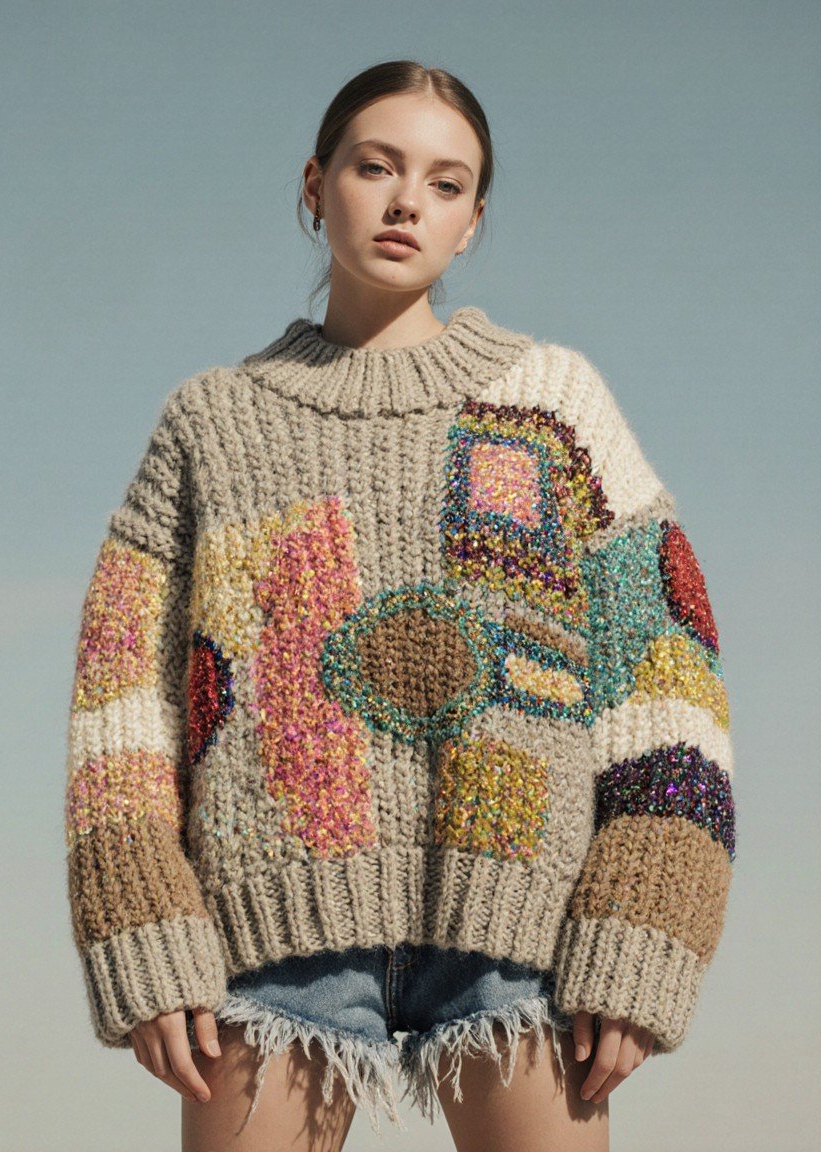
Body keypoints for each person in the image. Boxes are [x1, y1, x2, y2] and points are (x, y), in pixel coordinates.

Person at [63, 59, 737, 1152]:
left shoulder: (550, 402)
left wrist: (649, 913)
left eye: (445, 182)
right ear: (315, 183)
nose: (406, 201)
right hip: (268, 928)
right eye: (375, 166)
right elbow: (123, 698)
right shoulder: (212, 423)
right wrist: (138, 914)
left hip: (520, 929)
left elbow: (668, 664)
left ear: (472, 224)